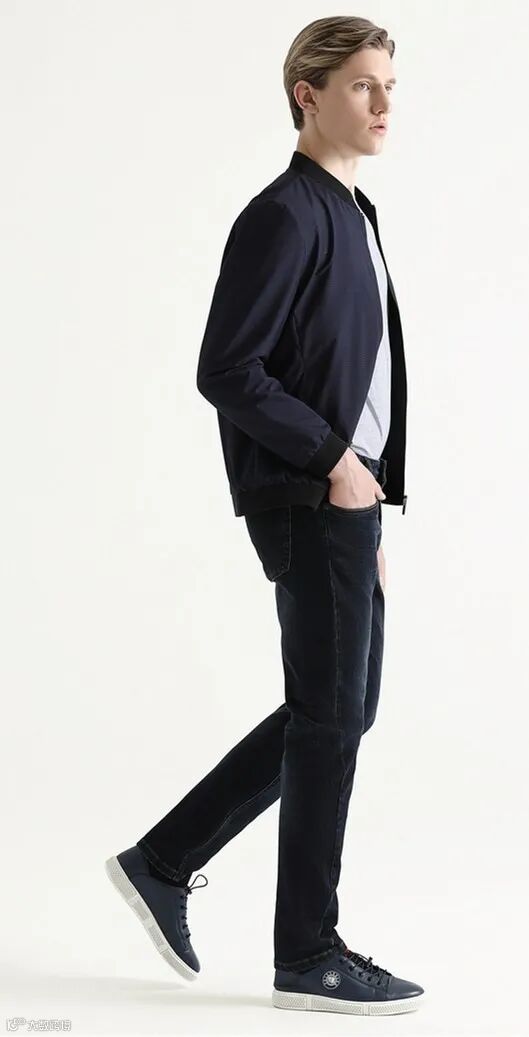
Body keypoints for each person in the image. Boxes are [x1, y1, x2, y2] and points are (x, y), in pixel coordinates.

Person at [106, 14, 425, 1017]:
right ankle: (307, 950)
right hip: (308, 492)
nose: (383, 102)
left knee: (340, 709)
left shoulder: (351, 211)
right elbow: (228, 368)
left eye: (390, 84)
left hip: (345, 499)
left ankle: (163, 858)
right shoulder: (285, 215)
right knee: (330, 714)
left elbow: (348, 374)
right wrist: (334, 466)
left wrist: (370, 502)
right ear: (308, 95)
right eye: (363, 84)